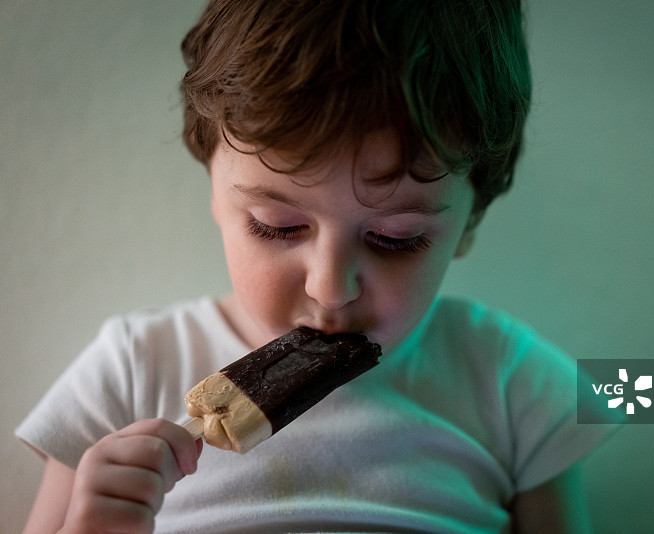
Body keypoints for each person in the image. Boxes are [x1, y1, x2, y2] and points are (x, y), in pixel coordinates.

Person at [16, 0, 618, 532]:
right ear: (215, 193)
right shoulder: (129, 370)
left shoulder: (508, 379)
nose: (330, 290)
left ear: (472, 221)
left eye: (394, 237)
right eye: (276, 227)